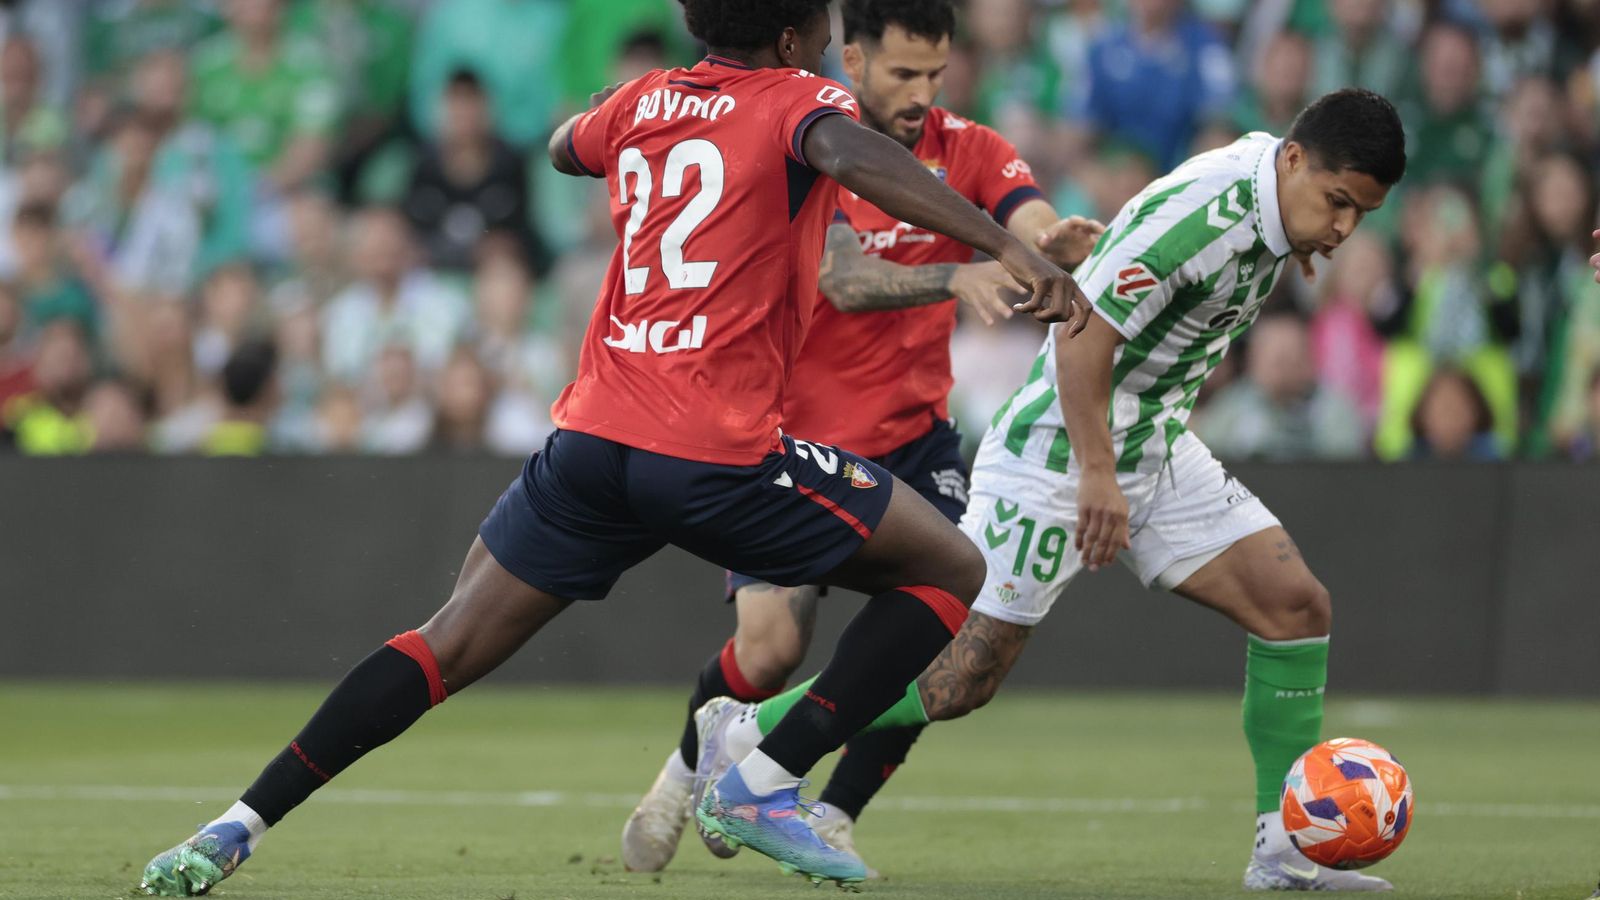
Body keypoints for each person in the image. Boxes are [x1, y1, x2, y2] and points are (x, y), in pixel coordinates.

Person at [135, 0, 1087, 894]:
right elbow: (847, 151)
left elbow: (563, 148)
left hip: (592, 442)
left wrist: (627, 104)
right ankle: (763, 779)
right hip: (715, 451)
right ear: (797, 42)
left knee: (446, 641)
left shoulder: (640, 101)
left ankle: (234, 825)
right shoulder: (804, 101)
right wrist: (1008, 248)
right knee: (951, 569)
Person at [696, 88, 1409, 892]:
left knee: (1295, 608)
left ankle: (1283, 851)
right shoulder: (1205, 213)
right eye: (1338, 202)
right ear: (1293, 160)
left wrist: (1297, 235)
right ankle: (749, 729)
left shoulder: (1277, 198)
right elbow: (1081, 330)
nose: (1344, 228)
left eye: (1360, 214)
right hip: (1059, 448)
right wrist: (1097, 474)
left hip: (1151, 439)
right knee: (961, 676)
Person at [620, 0, 1103, 876]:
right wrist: (955, 277)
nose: (922, 93)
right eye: (903, 73)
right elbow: (842, 279)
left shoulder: (969, 147)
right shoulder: (811, 138)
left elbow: (1024, 210)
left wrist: (1051, 237)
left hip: (913, 441)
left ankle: (835, 811)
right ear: (854, 59)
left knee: (937, 629)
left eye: (936, 73)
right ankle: (684, 771)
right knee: (771, 649)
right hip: (791, 442)